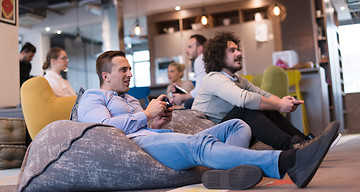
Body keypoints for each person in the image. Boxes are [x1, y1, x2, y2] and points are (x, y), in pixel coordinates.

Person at [77, 50, 339, 190]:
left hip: (158, 137)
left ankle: (225, 173)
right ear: (105, 75)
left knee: (238, 125)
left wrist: (155, 121)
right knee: (200, 147)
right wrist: (146, 115)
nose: (129, 74)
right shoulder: (92, 97)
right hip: (140, 146)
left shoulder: (131, 100)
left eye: (130, 68)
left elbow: (142, 123)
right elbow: (102, 131)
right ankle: (290, 161)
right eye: (123, 69)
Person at [192, 31, 321, 151]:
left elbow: (265, 95)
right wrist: (280, 105)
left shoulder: (239, 80)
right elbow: (244, 99)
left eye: (237, 49)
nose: (239, 54)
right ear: (218, 57)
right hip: (207, 137)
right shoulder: (213, 78)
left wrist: (284, 103)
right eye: (232, 51)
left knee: (263, 106)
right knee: (245, 108)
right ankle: (291, 147)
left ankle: (306, 143)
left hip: (229, 131)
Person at [172, 34, 206, 108]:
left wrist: (182, 97)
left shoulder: (200, 59)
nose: (186, 50)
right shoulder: (205, 60)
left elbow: (199, 91)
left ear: (200, 48)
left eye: (190, 47)